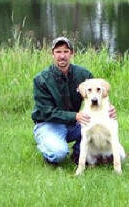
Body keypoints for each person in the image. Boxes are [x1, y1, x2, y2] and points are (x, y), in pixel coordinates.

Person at [31, 37, 116, 165]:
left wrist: (109, 108)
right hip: (49, 123)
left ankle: (78, 153)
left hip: (74, 123)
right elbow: (45, 112)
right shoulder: (41, 79)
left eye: (66, 51)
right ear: (52, 54)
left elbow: (98, 94)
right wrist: (75, 116)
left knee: (97, 129)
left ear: (72, 53)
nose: (62, 56)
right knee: (58, 153)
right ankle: (48, 149)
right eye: (58, 52)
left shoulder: (84, 75)